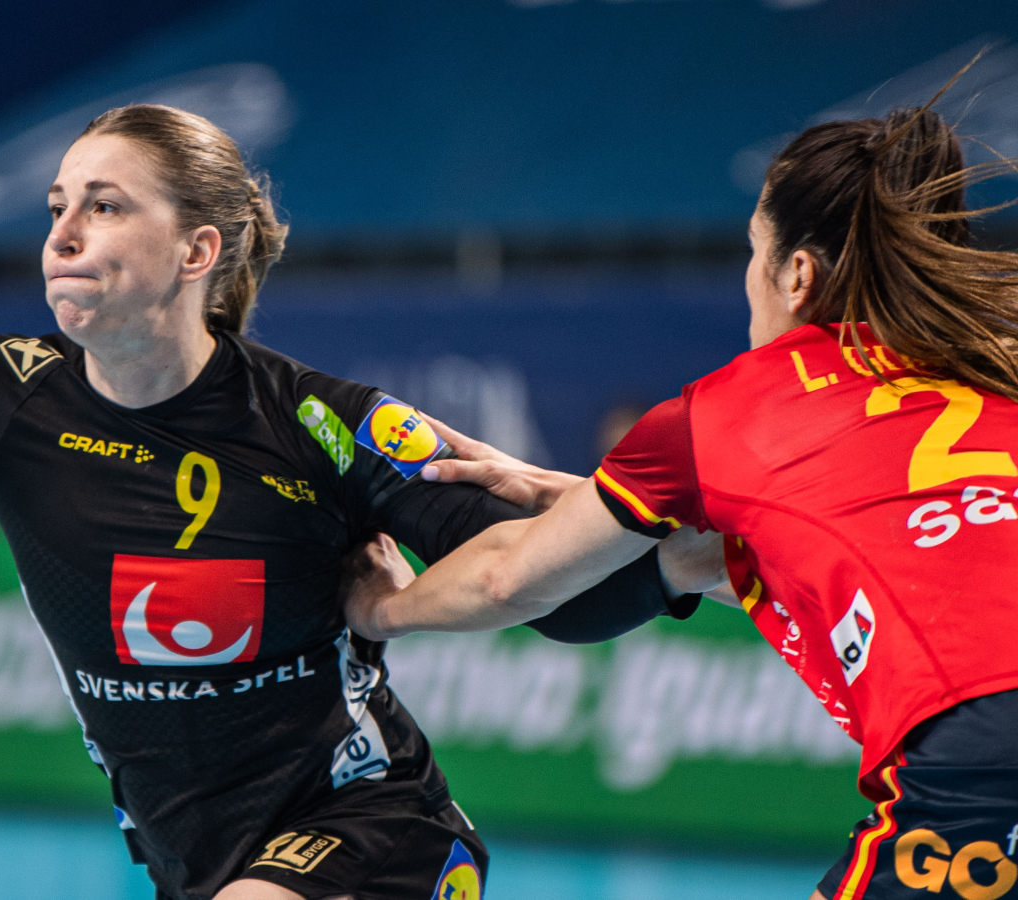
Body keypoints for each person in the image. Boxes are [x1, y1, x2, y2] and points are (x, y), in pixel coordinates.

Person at [0, 3, 712, 898]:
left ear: (197, 249)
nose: (62, 234)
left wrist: (682, 558)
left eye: (105, 207)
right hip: (197, 865)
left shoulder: (317, 422)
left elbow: (549, 590)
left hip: (374, 830)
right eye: (58, 206)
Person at [344, 89, 1018, 900]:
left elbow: (506, 581)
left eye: (752, 250)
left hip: (981, 756)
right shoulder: (989, 369)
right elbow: (860, 547)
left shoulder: (732, 409)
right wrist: (569, 494)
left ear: (797, 275)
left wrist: (380, 609)